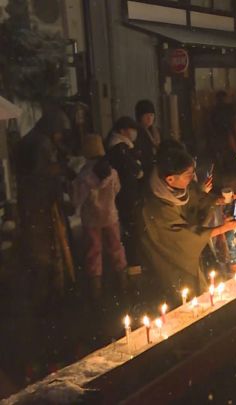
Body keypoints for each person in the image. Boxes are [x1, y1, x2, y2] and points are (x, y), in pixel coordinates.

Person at [137, 143, 236, 299]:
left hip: (188, 253)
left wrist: (216, 201)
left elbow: (195, 198)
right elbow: (183, 239)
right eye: (188, 175)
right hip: (172, 257)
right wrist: (222, 228)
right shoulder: (157, 210)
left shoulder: (177, 186)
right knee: (183, 291)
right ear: (171, 179)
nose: (192, 178)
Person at [16, 106, 73, 305]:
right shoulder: (42, 144)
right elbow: (43, 172)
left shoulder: (31, 140)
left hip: (32, 204)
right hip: (41, 205)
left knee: (39, 251)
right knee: (48, 250)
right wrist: (65, 168)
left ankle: (45, 295)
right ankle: (51, 297)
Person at [71, 135, 126, 296]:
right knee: (116, 248)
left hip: (91, 219)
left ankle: (97, 291)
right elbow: (117, 189)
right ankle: (123, 284)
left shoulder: (83, 175)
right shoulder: (111, 171)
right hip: (110, 215)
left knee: (93, 252)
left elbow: (77, 199)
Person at [106, 116, 144, 275]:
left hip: (126, 194)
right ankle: (133, 266)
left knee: (129, 228)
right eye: (131, 129)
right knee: (131, 228)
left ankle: (132, 265)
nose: (134, 132)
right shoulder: (119, 147)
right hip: (127, 194)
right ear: (122, 131)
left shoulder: (121, 146)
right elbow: (131, 170)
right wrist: (138, 171)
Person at [134, 99, 161, 176]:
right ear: (140, 117)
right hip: (145, 170)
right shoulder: (137, 132)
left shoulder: (157, 131)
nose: (149, 118)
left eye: (151, 115)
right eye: (146, 116)